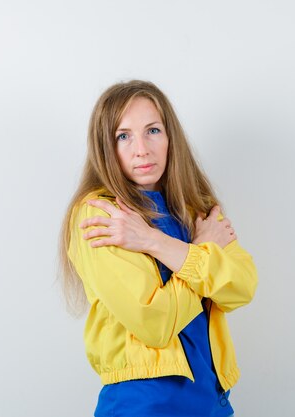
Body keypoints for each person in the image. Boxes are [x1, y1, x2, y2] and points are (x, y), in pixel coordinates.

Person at [58, 80, 258, 417]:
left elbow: (241, 287)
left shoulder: (197, 206)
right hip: (144, 404)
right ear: (105, 147)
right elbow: (154, 322)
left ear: (170, 137)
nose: (142, 149)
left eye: (152, 130)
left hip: (212, 401)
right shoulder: (102, 214)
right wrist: (201, 252)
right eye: (123, 136)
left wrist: (155, 242)